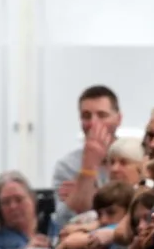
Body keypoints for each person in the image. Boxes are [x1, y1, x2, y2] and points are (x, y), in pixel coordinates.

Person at [52, 86, 121, 230]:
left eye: (102, 115)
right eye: (86, 116)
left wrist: (88, 193)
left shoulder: (134, 156)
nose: (93, 123)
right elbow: (64, 220)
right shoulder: (66, 166)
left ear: (118, 119)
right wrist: (88, 168)